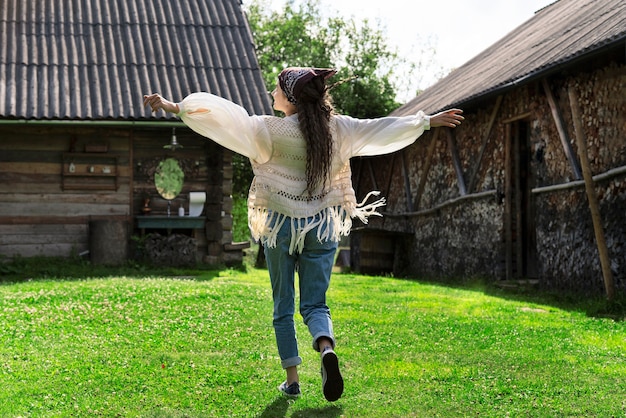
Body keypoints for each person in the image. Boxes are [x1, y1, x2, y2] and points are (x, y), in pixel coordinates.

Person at [143, 67, 463, 402]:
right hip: (323, 225)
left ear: (291, 98)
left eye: (277, 89)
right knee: (315, 303)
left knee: (283, 304)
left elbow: (225, 117)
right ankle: (326, 349)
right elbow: (380, 128)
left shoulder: (269, 129)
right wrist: (426, 121)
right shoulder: (338, 128)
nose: (272, 94)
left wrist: (175, 106)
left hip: (280, 225)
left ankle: (292, 381)